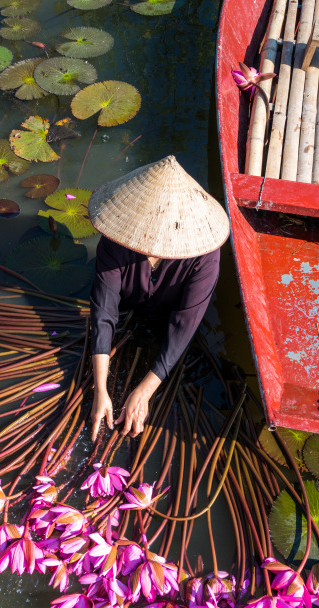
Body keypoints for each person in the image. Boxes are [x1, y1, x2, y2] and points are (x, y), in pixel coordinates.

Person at [87, 156, 231, 440]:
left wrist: (144, 391)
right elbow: (104, 312)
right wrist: (100, 389)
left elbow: (184, 325)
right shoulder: (117, 240)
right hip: (127, 303)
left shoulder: (203, 253)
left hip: (170, 313)